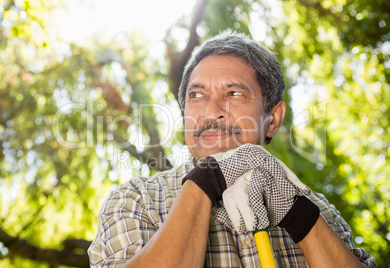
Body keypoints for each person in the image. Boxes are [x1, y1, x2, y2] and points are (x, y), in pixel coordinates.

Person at [88, 30, 376, 267]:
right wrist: (206, 180)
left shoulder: (322, 214)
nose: (211, 111)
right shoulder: (137, 201)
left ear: (273, 119)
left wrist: (300, 216)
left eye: (234, 93)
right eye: (197, 95)